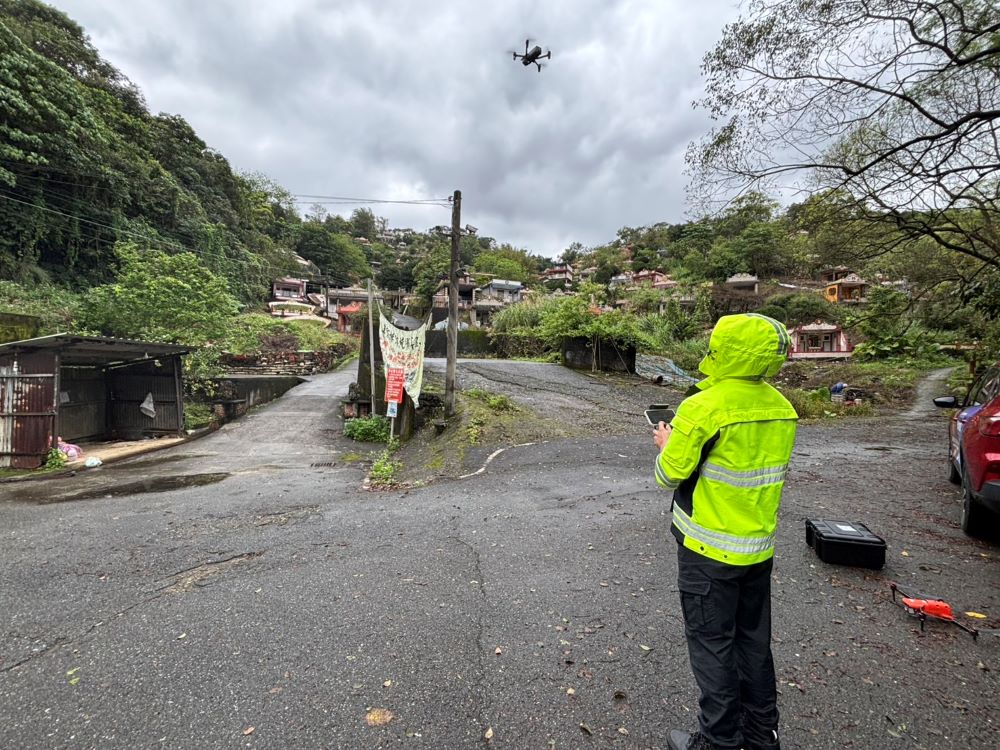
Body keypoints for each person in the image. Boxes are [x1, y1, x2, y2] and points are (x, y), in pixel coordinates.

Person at [653, 314, 798, 750]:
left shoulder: (703, 406)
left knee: (713, 648)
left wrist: (665, 443)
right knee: (753, 647)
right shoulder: (781, 407)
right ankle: (761, 737)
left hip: (707, 550)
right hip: (757, 549)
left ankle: (718, 743)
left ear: (724, 349)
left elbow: (670, 473)